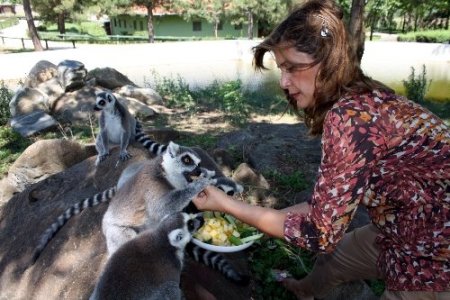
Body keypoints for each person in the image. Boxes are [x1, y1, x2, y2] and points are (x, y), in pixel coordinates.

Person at [192, 0, 450, 299]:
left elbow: (321, 232)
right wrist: (254, 220)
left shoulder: (351, 119)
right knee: (334, 259)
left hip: (434, 252)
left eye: (293, 68)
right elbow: (326, 205)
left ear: (328, 61)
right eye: (281, 69)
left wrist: (226, 205)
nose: (284, 82)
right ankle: (304, 291)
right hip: (402, 225)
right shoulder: (366, 98)